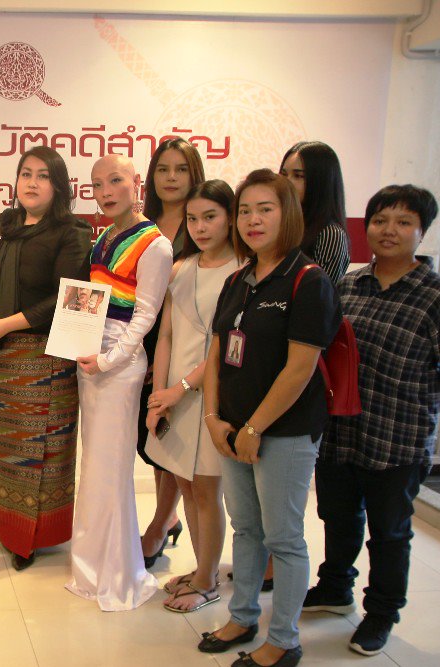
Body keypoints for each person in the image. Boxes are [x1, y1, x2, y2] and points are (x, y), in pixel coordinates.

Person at [198, 169, 341, 667]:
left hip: (284, 432)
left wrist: (255, 428)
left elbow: (300, 368)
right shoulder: (238, 280)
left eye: (266, 209)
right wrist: (214, 418)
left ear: (289, 215)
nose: (252, 220)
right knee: (246, 529)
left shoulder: (308, 280)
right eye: (245, 211)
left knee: (283, 538)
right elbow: (217, 353)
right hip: (232, 429)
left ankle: (283, 641)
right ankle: (242, 617)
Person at [303, 185, 439, 656]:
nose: (389, 230)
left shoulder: (433, 296)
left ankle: (381, 613)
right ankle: (335, 586)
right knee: (337, 516)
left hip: (399, 436)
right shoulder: (348, 285)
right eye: (380, 220)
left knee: (389, 533)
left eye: (404, 222)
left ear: (422, 231)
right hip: (341, 431)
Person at [0, 146, 92, 571]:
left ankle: (35, 538)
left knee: (44, 454)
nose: (32, 183)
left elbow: (67, 298)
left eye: (43, 175)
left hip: (47, 360)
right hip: (4, 359)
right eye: (26, 173)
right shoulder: (7, 225)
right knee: (9, 452)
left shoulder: (72, 231)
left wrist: (4, 325)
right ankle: (12, 530)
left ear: (58, 186)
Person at [66, 153, 172, 611]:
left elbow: (145, 315)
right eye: (97, 185)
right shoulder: (104, 237)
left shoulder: (155, 244)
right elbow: (90, 299)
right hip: (90, 360)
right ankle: (90, 571)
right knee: (95, 469)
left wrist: (108, 360)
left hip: (118, 366)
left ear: (136, 182)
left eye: (114, 181)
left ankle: (118, 576)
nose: (105, 192)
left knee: (110, 473)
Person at [145, 180, 241, 612]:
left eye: (210, 217)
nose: (200, 227)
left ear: (229, 218)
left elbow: (224, 347)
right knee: (185, 483)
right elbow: (165, 333)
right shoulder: (181, 267)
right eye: (193, 218)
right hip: (173, 394)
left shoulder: (242, 271)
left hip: (210, 394)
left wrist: (180, 389)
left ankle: (207, 580)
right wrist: (159, 395)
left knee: (206, 489)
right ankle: (203, 568)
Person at [139, 138, 206, 567]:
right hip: (140, 341)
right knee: (151, 439)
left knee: (173, 435)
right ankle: (170, 516)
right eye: (163, 169)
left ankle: (160, 524)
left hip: (185, 344)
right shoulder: (141, 223)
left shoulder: (204, 223)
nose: (171, 177)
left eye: (181, 169)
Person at [279, 141, 350, 283]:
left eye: (298, 176)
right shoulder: (280, 223)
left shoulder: (330, 234)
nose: (287, 182)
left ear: (320, 182)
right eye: (284, 174)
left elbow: (320, 291)